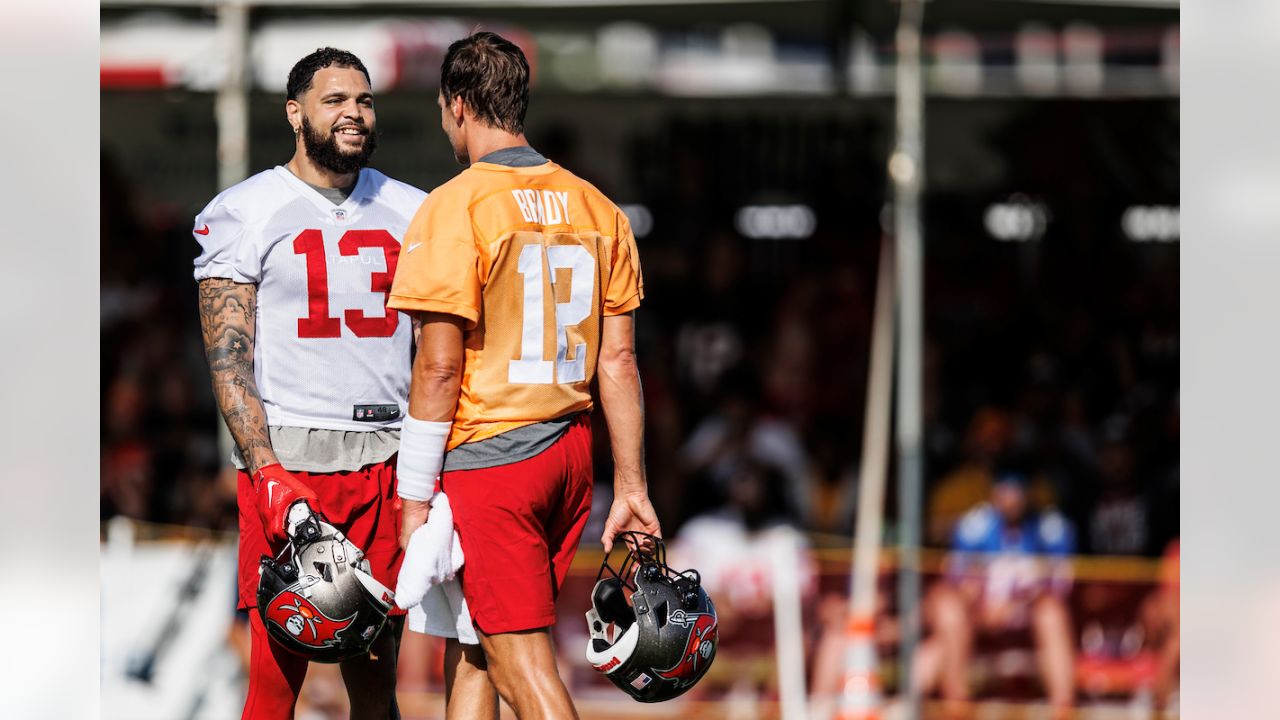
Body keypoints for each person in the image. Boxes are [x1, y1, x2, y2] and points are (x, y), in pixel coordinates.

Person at [387, 31, 661, 720]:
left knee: (516, 656)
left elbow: (439, 365)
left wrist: (414, 496)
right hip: (569, 452)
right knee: (475, 644)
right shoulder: (600, 209)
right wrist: (631, 485)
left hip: (496, 459)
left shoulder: (455, 205)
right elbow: (619, 361)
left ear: (456, 106)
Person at [193, 47, 426, 720]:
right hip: (292, 460)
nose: (354, 113)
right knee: (275, 681)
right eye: (335, 100)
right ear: (296, 113)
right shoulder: (247, 208)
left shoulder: (415, 210)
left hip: (387, 456)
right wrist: (264, 469)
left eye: (364, 100)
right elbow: (228, 355)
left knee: (378, 680)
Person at [917, 471, 1076, 720]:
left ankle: (1063, 709)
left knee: (1052, 615)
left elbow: (1058, 587)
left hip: (1029, 619)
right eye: (1004, 490)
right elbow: (960, 585)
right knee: (941, 632)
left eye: (1016, 491)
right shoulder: (976, 526)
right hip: (979, 619)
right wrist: (981, 609)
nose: (1010, 499)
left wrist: (1015, 605)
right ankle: (954, 705)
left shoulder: (1047, 528)